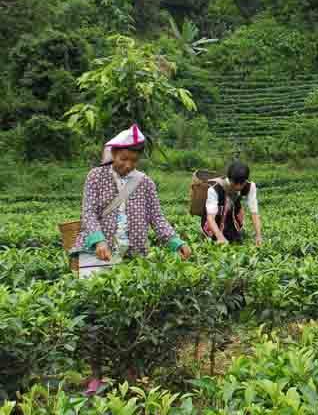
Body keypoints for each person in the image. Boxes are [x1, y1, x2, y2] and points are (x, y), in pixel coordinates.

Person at [71, 124, 191, 395]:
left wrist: (176, 242)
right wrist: (98, 240)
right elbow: (88, 213)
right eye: (123, 159)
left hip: (132, 257)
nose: (127, 165)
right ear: (113, 154)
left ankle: (129, 371)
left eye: (133, 161)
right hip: (96, 254)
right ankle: (96, 374)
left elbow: (157, 218)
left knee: (131, 315)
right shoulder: (95, 177)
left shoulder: (145, 182)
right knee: (95, 316)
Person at [201, 160, 262, 246]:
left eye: (242, 183)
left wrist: (258, 235)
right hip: (215, 218)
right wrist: (220, 237)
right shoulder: (214, 189)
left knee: (234, 239)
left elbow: (254, 213)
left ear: (246, 180)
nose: (238, 187)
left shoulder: (250, 186)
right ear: (229, 178)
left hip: (231, 216)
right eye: (235, 183)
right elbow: (210, 217)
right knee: (213, 241)